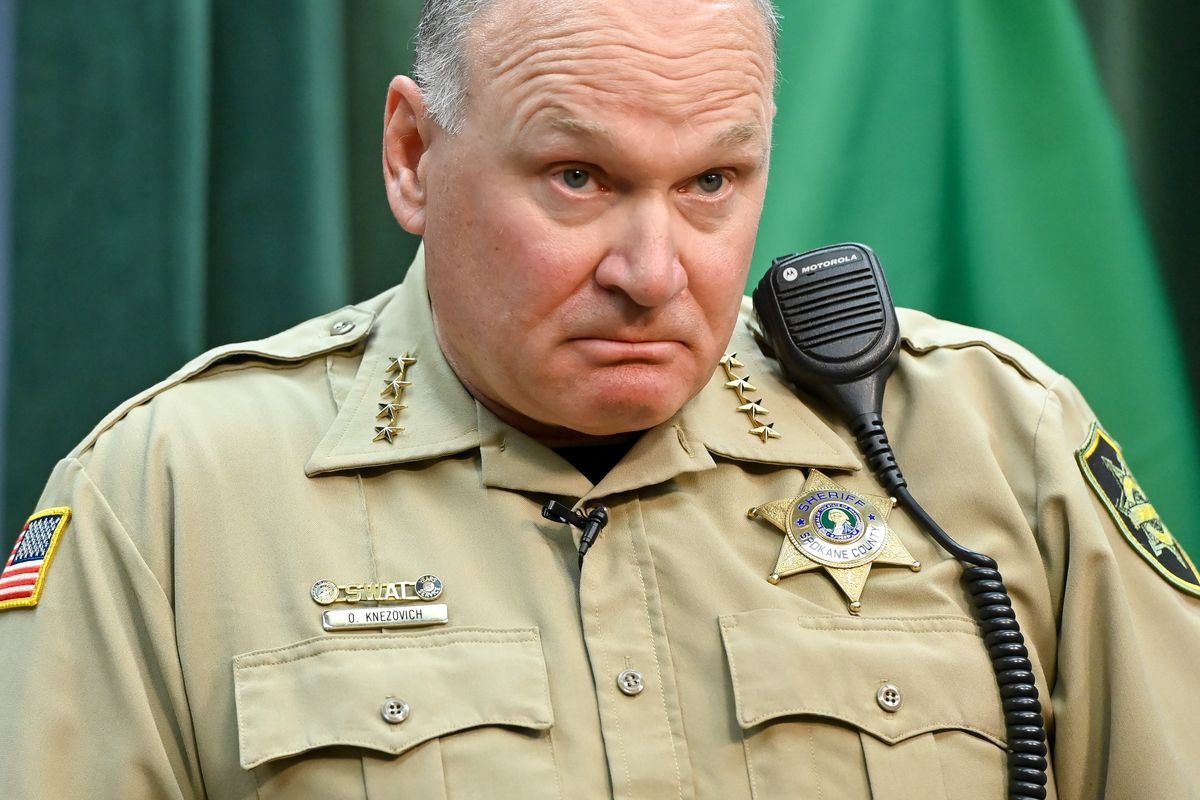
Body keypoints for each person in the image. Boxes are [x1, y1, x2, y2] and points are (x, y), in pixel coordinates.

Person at [1, 0, 1198, 797]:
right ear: (414, 156)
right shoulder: (167, 500)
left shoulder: (988, 445)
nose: (654, 270)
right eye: (578, 178)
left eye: (714, 182)